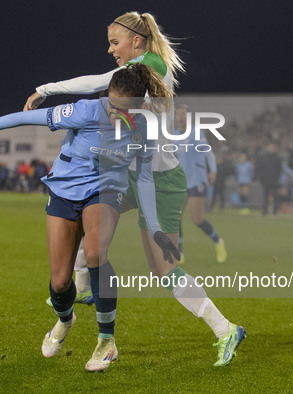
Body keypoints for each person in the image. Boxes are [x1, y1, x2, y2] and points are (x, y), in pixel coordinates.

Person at [23, 11, 245, 367]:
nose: (111, 50)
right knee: (86, 212)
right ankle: (80, 287)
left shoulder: (148, 64)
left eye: (115, 42)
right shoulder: (139, 68)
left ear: (136, 41)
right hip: (133, 174)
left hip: (160, 180)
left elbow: (96, 81)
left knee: (163, 269)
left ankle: (226, 329)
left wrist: (46, 89)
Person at [0, 64, 180, 372]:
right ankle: (65, 320)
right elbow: (26, 117)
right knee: (59, 283)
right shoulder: (83, 111)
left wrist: (157, 229)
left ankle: (106, 342)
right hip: (65, 189)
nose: (113, 114)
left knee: (96, 253)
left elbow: (146, 179)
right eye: (111, 105)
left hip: (105, 190)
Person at [174, 105, 227, 263]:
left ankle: (218, 242)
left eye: (183, 114)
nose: (181, 117)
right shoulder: (175, 135)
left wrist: (213, 171)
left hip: (198, 180)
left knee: (197, 220)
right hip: (182, 182)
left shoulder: (196, 133)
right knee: (176, 217)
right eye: (178, 115)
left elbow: (208, 152)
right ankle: (180, 252)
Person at [256, 143, 283, 216]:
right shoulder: (263, 158)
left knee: (275, 196)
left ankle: (275, 210)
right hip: (265, 180)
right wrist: (261, 178)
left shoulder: (277, 158)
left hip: (274, 181)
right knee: (265, 196)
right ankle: (265, 210)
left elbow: (279, 170)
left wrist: (276, 178)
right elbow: (259, 168)